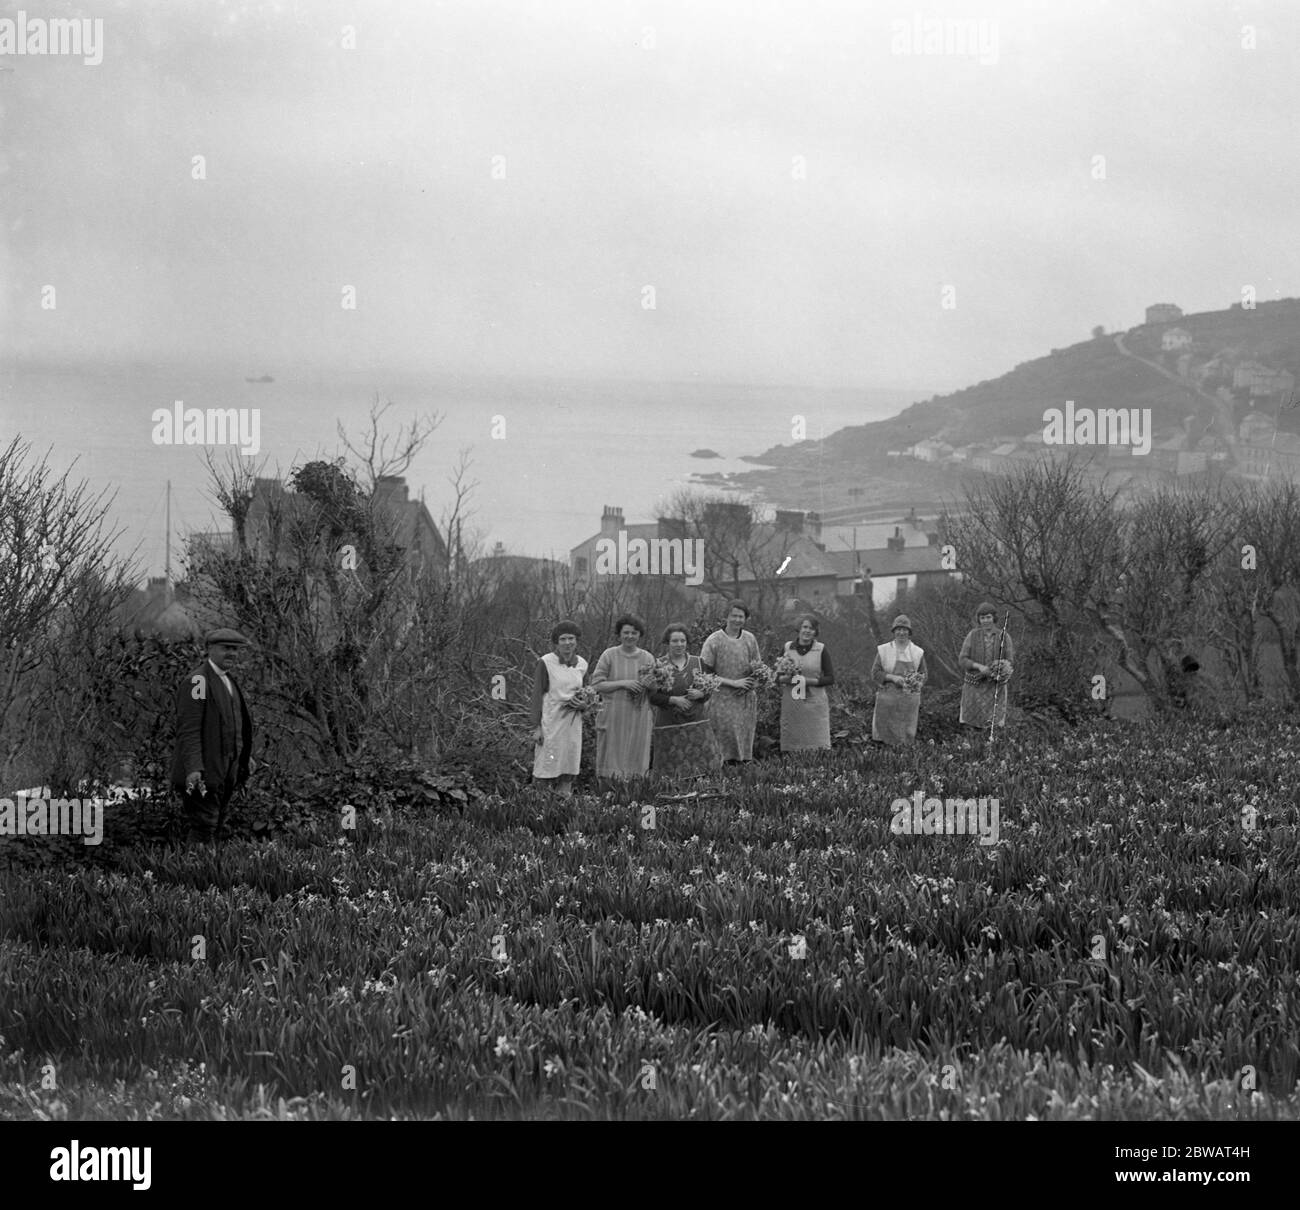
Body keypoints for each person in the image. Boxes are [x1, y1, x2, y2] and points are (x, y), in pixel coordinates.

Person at [171, 628, 256, 844]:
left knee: (218, 825)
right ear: (209, 649)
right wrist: (193, 768)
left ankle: (209, 874)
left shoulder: (229, 681)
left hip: (226, 770)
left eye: (235, 649)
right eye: (226, 648)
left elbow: (231, 726)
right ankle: (193, 874)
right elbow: (188, 729)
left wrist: (243, 756)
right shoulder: (198, 681)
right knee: (203, 826)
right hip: (204, 772)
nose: (232, 654)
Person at [648, 623, 722, 778]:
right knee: (671, 775)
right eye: (674, 641)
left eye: (682, 641)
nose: (679, 644)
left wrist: (701, 694)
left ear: (687, 642)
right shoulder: (658, 665)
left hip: (697, 725)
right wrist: (673, 699)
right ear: (667, 642)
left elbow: (709, 689)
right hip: (669, 726)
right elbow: (652, 696)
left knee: (702, 772)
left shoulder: (699, 663)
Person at [589, 614, 655, 779]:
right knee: (612, 760)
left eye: (634, 633)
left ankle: (633, 799)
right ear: (619, 634)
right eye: (626, 632)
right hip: (613, 716)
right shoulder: (609, 655)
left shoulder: (647, 658)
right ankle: (609, 797)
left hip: (639, 717)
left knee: (636, 760)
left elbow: (655, 689)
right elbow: (596, 684)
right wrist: (623, 683)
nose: (630, 636)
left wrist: (651, 683)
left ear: (640, 634)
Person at [529, 620, 589, 796]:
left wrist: (585, 705)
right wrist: (536, 727)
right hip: (551, 722)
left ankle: (564, 807)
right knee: (546, 767)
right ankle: (540, 809)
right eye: (563, 639)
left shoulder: (582, 664)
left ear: (576, 641)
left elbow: (586, 693)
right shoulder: (546, 663)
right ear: (556, 642)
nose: (567, 643)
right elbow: (537, 695)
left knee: (568, 768)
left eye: (571, 638)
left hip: (572, 725)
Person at [700, 600, 762, 763]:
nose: (737, 620)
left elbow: (758, 668)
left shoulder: (750, 639)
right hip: (722, 700)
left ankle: (743, 773)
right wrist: (734, 683)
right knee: (724, 739)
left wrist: (752, 683)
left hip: (745, 700)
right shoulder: (714, 640)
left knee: (744, 737)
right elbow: (705, 674)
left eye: (741, 616)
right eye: (734, 615)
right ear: (726, 617)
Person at [778, 614, 834, 752]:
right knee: (792, 742)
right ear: (799, 629)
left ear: (815, 632)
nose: (807, 631)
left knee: (816, 744)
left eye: (811, 628)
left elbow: (830, 678)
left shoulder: (821, 649)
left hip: (814, 703)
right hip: (792, 703)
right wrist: (791, 678)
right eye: (805, 627)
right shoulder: (787, 648)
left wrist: (808, 681)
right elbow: (777, 676)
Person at [958, 602, 1015, 734]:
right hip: (974, 687)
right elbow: (962, 659)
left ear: (994, 618)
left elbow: (1010, 660)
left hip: (995, 688)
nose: (986, 621)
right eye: (982, 618)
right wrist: (978, 667)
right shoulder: (972, 635)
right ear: (979, 619)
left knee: (992, 728)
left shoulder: (1004, 637)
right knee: (972, 727)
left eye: (988, 617)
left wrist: (997, 670)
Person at [870, 614, 926, 746]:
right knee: (884, 737)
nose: (901, 632)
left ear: (909, 632)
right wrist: (893, 678)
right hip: (887, 701)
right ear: (894, 631)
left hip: (908, 703)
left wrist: (912, 683)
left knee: (905, 739)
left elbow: (923, 674)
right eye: (898, 629)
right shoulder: (884, 650)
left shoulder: (917, 652)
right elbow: (875, 673)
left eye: (904, 629)